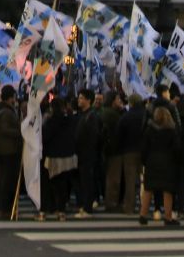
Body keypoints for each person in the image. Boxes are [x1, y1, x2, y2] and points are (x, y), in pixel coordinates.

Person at [139, 103, 180, 226]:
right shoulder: (172, 131)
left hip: (152, 161)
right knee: (167, 190)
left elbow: (144, 148)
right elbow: (176, 148)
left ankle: (143, 214)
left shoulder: (149, 129)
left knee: (148, 189)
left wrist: (144, 161)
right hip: (167, 162)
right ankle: (168, 217)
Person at [0, 85, 22, 220]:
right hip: (8, 150)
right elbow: (6, 130)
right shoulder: (6, 112)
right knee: (6, 182)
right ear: (10, 97)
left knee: (0, 180)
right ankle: (4, 209)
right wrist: (21, 132)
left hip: (0, 149)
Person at [41, 96, 77, 221]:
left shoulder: (51, 121)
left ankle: (45, 210)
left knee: (48, 184)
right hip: (67, 157)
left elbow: (45, 137)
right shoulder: (70, 120)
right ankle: (61, 210)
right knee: (62, 185)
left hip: (52, 157)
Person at [73, 89, 101, 218]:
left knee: (87, 182)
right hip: (81, 154)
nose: (79, 100)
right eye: (79, 98)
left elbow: (93, 137)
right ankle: (84, 206)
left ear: (89, 100)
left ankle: (87, 208)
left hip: (88, 154)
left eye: (82, 98)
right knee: (83, 182)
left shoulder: (92, 116)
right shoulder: (82, 114)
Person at [117, 94, 146, 215]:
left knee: (130, 181)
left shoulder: (126, 116)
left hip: (129, 151)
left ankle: (129, 206)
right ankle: (145, 206)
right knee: (145, 181)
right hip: (145, 151)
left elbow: (119, 134)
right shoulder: (146, 115)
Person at [99, 92, 125, 212]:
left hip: (110, 149)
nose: (119, 101)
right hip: (114, 149)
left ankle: (111, 201)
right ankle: (111, 203)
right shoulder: (111, 114)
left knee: (112, 177)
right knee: (113, 178)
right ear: (112, 101)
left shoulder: (107, 112)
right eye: (118, 99)